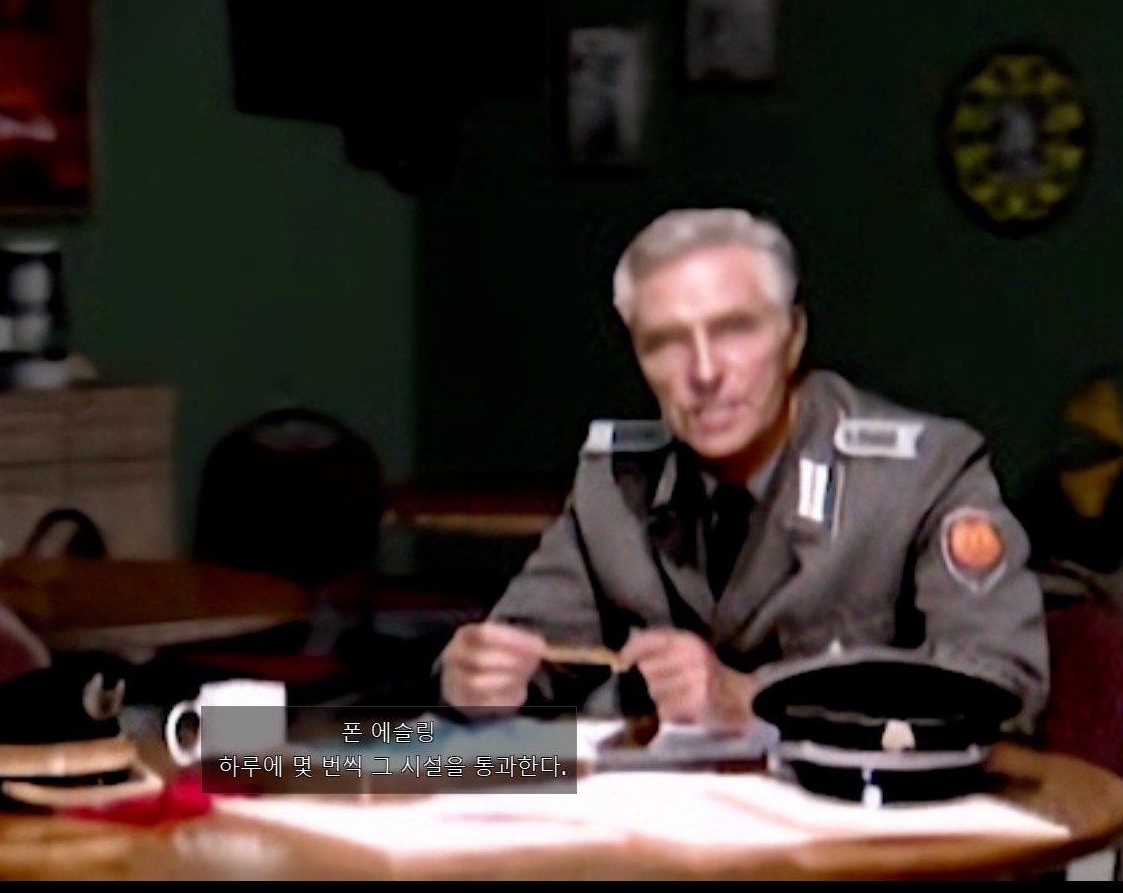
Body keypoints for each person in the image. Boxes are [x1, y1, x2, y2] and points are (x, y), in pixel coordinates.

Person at [439, 208, 1049, 731]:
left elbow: (1004, 685)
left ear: (793, 337)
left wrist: (753, 701)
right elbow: (530, 645)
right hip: (662, 816)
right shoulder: (616, 485)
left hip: (853, 816)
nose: (704, 373)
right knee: (396, 761)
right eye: (666, 342)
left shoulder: (919, 477)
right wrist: (473, 679)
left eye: (734, 331)